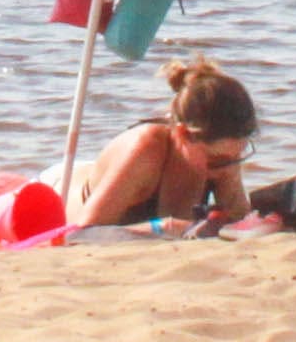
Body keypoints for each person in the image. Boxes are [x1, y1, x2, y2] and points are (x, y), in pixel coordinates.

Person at [69, 56, 258, 229]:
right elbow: (85, 231)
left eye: (238, 156)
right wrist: (164, 227)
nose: (227, 167)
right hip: (67, 192)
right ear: (183, 134)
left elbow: (239, 221)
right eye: (217, 161)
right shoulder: (145, 151)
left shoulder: (224, 155)